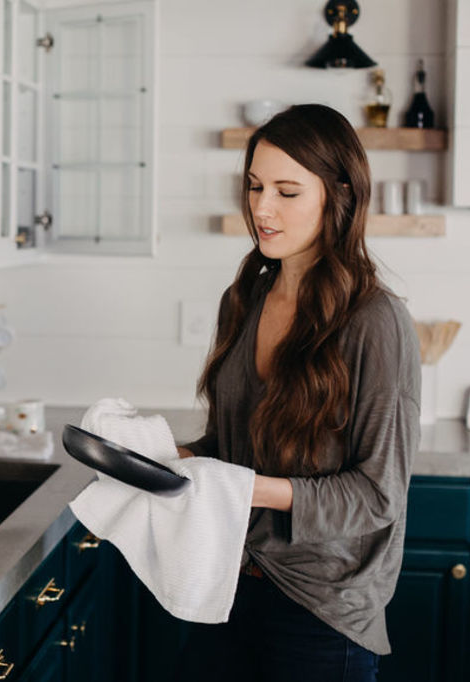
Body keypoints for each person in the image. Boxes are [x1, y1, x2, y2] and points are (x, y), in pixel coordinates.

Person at [176, 104, 421, 682]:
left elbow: (378, 494)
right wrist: (163, 456)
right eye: (255, 186)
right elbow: (231, 446)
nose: (262, 208)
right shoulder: (243, 300)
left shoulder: (375, 321)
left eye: (287, 191)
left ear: (338, 196)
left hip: (323, 608)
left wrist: (247, 489)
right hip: (227, 583)